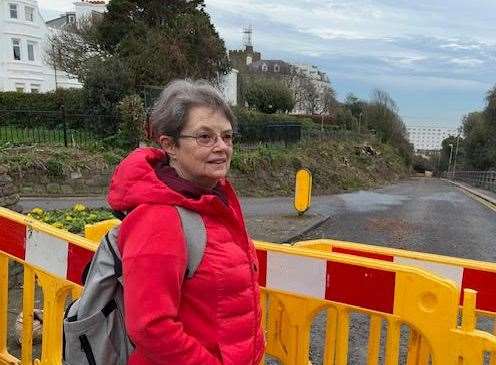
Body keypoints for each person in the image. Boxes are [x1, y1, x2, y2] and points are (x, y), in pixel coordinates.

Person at [107, 79, 265, 365]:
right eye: (205, 137)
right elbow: (150, 327)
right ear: (170, 145)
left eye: (227, 137)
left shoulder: (215, 202)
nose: (222, 147)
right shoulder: (159, 217)